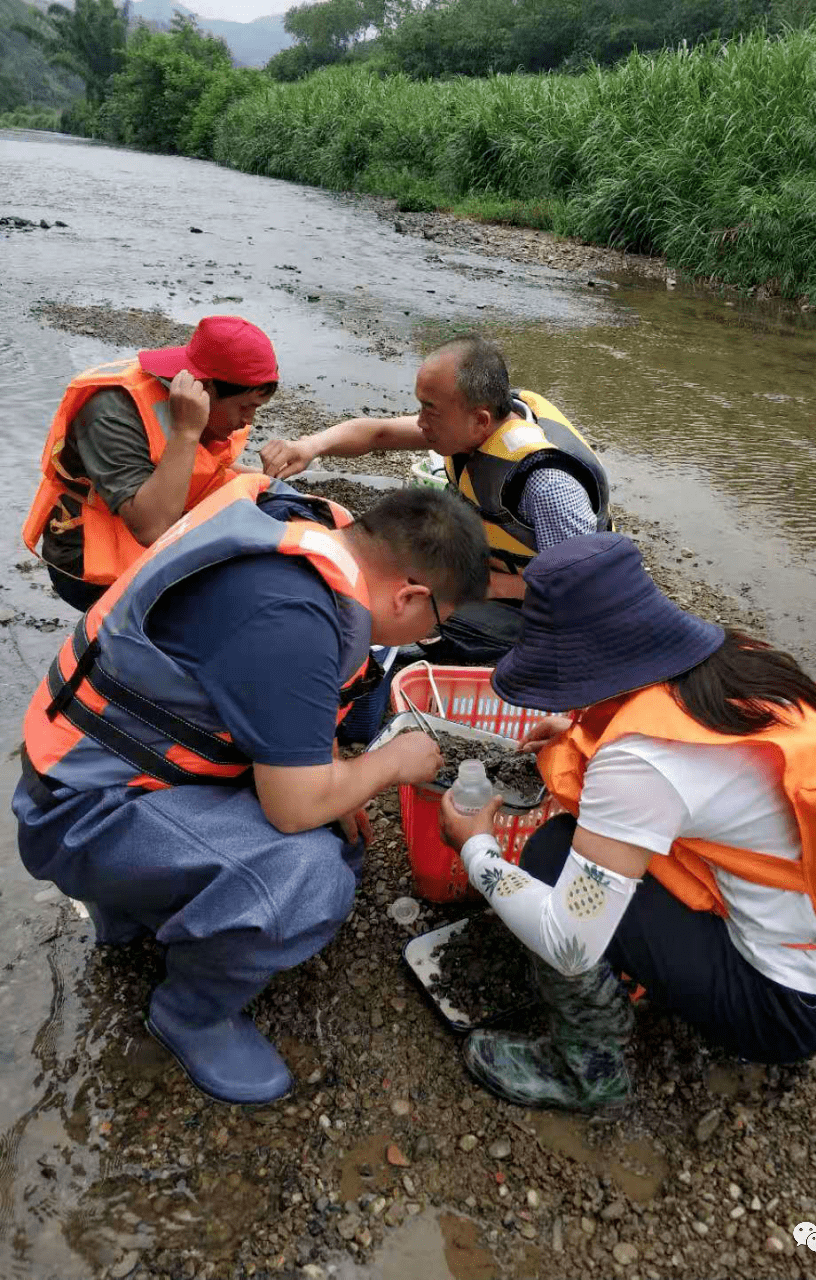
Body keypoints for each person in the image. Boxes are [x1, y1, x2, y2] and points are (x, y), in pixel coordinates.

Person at [14, 477, 489, 1106]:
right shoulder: (292, 614)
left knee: (333, 823)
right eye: (434, 628)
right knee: (313, 871)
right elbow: (292, 811)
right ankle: (190, 1013)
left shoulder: (303, 525)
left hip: (94, 773)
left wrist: (338, 781)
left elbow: (275, 691)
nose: (421, 641)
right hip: (79, 815)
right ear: (410, 596)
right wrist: (391, 764)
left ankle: (132, 912)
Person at [439, 534, 816, 1110]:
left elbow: (569, 943)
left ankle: (585, 1073)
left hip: (782, 1011)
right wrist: (579, 735)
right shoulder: (739, 665)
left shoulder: (642, 761)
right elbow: (702, 778)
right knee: (576, 852)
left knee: (549, 858)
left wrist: (476, 848)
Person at [259, 335, 611, 663]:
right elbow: (376, 433)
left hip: (542, 606)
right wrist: (309, 446)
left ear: (481, 419)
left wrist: (483, 586)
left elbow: (579, 590)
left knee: (427, 621)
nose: (421, 422)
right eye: (421, 407)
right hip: (489, 570)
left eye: (430, 410)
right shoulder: (474, 423)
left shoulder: (546, 484)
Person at [23, 315, 279, 612]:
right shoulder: (111, 412)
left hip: (154, 521)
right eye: (246, 407)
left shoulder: (208, 404)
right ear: (205, 389)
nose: (248, 420)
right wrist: (187, 431)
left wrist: (273, 484)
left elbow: (203, 470)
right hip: (91, 560)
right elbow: (152, 529)